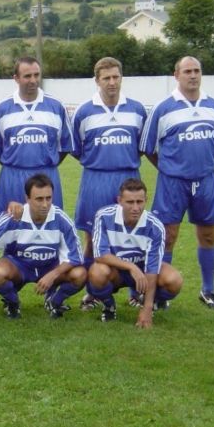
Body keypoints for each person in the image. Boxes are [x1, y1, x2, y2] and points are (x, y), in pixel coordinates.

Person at [140, 56, 214, 309]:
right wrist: (171, 169)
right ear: (176, 75)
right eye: (188, 71)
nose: (193, 75)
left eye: (197, 71)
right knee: (167, 236)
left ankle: (208, 290)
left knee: (208, 235)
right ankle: (160, 294)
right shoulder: (163, 108)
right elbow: (148, 148)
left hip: (206, 181)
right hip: (172, 184)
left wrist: (200, 165)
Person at [71, 57, 147, 309]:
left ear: (121, 77)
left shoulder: (136, 110)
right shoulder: (84, 111)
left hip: (128, 179)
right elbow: (76, 148)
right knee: (92, 240)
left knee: (132, 237)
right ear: (97, 80)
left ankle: (136, 291)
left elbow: (143, 146)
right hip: (96, 179)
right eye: (106, 78)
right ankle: (92, 292)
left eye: (116, 77)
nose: (112, 82)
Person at [0, 174, 85, 319]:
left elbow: (76, 257)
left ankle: (55, 301)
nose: (45, 204)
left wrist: (52, 275)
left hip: (49, 266)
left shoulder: (62, 220)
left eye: (48, 198)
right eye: (39, 199)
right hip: (20, 267)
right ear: (27, 199)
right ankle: (13, 302)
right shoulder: (14, 218)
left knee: (80, 274)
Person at [86, 179, 183, 327]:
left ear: (146, 200)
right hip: (115, 273)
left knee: (174, 280)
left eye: (140, 202)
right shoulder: (104, 216)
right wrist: (131, 267)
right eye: (130, 202)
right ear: (119, 201)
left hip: (143, 276)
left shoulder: (155, 226)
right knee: (97, 272)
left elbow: (152, 268)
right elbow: (100, 255)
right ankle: (109, 305)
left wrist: (147, 308)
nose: (135, 208)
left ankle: (150, 302)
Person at [0, 56, 73, 213]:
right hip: (12, 178)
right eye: (27, 76)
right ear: (16, 78)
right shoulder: (2, 109)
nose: (33, 80)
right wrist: (17, 164)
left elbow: (64, 146)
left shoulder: (56, 107)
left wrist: (45, 162)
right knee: (10, 230)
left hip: (47, 176)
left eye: (37, 75)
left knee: (48, 229)